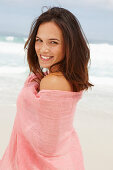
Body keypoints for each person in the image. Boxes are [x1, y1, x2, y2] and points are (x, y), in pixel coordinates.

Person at [0, 6, 93, 170]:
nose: (43, 49)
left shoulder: (53, 82)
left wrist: (30, 87)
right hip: (67, 158)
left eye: (53, 42)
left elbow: (45, 146)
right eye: (39, 40)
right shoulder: (64, 77)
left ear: (69, 45)